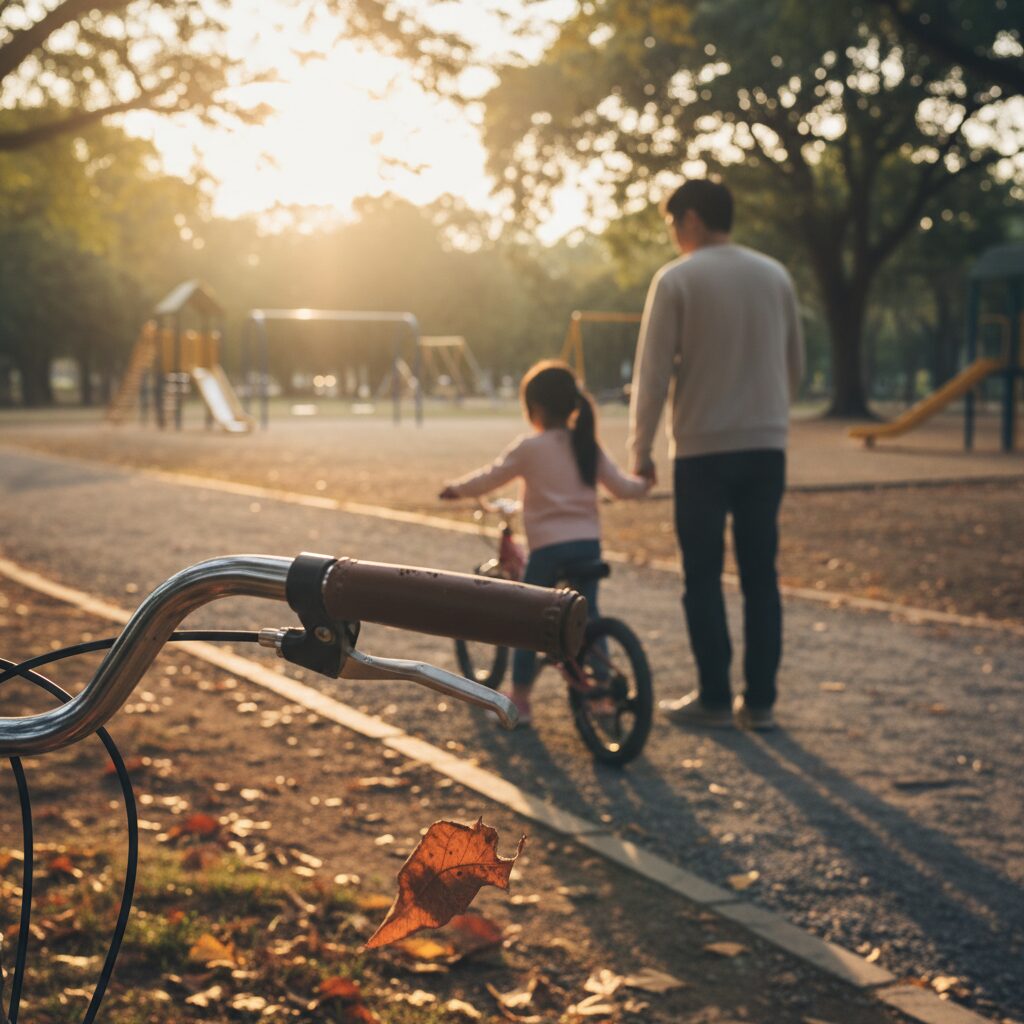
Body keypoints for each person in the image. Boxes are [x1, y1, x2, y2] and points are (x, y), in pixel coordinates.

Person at [628, 178, 804, 731]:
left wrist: (642, 446)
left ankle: (713, 696)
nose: (674, 236)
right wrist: (770, 414)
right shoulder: (775, 274)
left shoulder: (677, 278)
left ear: (694, 220)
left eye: (674, 224)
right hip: (766, 445)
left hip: (702, 448)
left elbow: (652, 375)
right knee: (760, 574)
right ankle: (761, 702)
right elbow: (794, 362)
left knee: (702, 575)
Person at [441, 360, 651, 725]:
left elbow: (492, 476)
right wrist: (645, 482)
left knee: (530, 619)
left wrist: (456, 489)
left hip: (549, 551)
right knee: (589, 615)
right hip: (588, 546)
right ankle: (600, 694)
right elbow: (623, 487)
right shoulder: (587, 445)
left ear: (534, 408)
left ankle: (520, 700)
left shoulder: (530, 447)